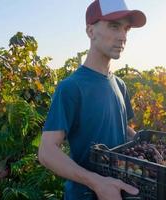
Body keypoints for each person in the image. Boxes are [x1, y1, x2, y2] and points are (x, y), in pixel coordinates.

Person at [38, 0, 146, 199]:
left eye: (126, 29)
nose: (122, 36)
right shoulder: (71, 87)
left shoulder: (120, 85)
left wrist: (142, 140)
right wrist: (96, 182)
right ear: (90, 31)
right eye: (114, 26)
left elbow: (120, 128)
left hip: (120, 191)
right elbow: (47, 151)